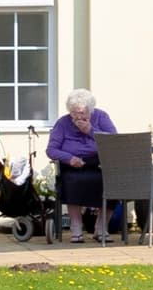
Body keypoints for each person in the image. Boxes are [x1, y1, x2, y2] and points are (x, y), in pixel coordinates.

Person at [44, 88, 118, 240]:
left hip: (100, 164)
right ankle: (76, 229)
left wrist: (91, 130)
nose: (77, 117)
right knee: (73, 182)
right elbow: (51, 149)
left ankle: (101, 227)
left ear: (91, 110)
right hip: (73, 166)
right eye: (73, 113)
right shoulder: (63, 123)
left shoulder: (101, 117)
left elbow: (114, 140)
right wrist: (69, 158)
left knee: (112, 182)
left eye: (82, 113)